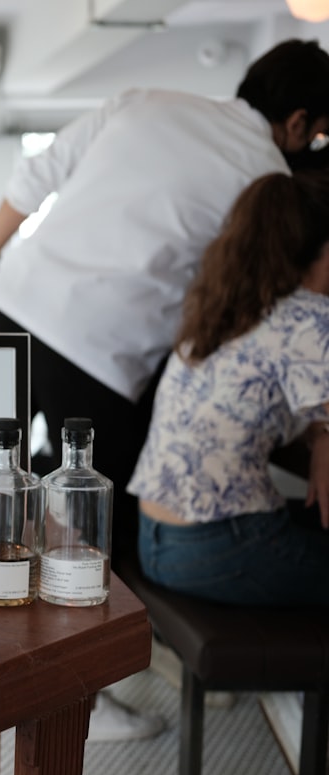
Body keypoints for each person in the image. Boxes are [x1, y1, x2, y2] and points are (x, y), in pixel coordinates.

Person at [0, 39, 329, 556]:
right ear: (297, 122)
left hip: (15, 301)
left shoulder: (145, 100)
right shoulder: (269, 180)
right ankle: (71, 624)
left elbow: (36, 174)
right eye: (319, 131)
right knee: (99, 526)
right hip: (101, 351)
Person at [128, 171, 329, 605]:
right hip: (223, 548)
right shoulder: (309, 317)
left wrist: (320, 435)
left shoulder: (219, 313)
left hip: (155, 540)